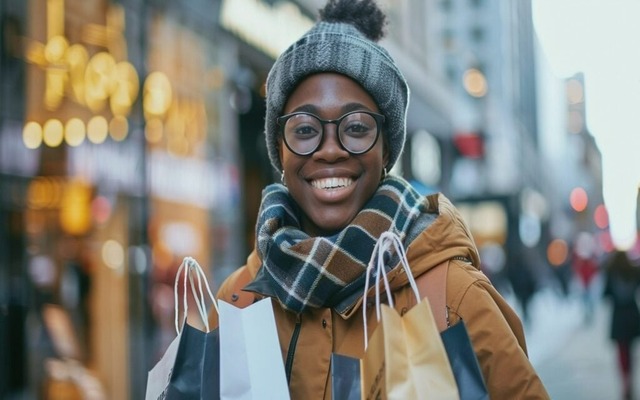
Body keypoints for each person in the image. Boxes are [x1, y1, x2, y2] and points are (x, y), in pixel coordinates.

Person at [208, 0, 549, 398]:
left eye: (355, 127)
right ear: (278, 152)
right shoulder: (238, 300)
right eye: (304, 130)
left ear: (386, 150)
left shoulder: (452, 298)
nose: (330, 149)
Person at [603, 250, 640, 400]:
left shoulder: (611, 273)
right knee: (630, 351)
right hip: (632, 316)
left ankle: (625, 380)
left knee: (622, 353)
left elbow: (605, 295)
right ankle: (630, 379)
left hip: (618, 318)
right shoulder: (634, 271)